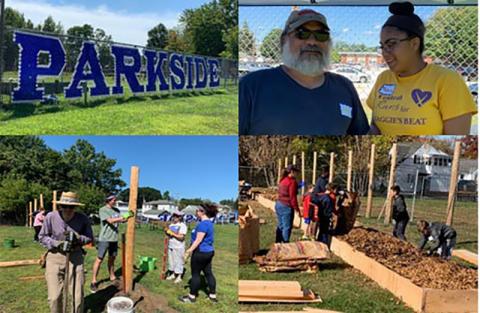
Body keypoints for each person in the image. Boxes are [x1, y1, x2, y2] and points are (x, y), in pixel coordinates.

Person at [239, 9, 369, 135]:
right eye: (302, 33)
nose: (312, 42)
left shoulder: (345, 87)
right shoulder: (251, 86)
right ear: (284, 41)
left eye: (321, 35)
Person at [367, 1, 477, 135]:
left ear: (414, 43)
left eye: (391, 44)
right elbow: (375, 127)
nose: (385, 51)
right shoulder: (384, 78)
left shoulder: (447, 80)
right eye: (382, 45)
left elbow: (456, 139)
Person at [38, 191, 93, 313]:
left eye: (71, 207)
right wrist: (57, 243)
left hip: (75, 258)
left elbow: (89, 237)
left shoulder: (82, 219)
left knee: (77, 297)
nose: (68, 209)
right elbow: (42, 237)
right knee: (54, 297)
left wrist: (78, 238)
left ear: (76, 207)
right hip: (55, 257)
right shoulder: (51, 217)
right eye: (64, 206)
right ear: (60, 206)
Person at [90, 195, 133, 292]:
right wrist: (121, 217)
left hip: (114, 239)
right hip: (105, 238)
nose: (115, 201)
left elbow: (121, 220)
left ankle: (112, 276)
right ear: (108, 201)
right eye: (113, 200)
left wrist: (127, 217)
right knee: (99, 259)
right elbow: (110, 220)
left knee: (112, 259)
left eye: (115, 199)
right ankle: (93, 281)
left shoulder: (116, 210)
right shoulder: (103, 210)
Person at [179, 204, 218, 303]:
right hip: (208, 252)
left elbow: (198, 240)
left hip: (200, 252)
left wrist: (188, 251)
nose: (196, 212)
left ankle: (191, 297)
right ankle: (212, 296)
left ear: (202, 212)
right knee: (208, 273)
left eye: (197, 211)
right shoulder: (208, 223)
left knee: (195, 274)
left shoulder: (203, 224)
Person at [275, 164, 300, 243]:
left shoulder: (282, 180)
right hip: (286, 206)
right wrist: (297, 209)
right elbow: (292, 197)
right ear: (292, 172)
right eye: (296, 172)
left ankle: (278, 243)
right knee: (287, 227)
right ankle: (285, 245)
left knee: (280, 225)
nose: (297, 174)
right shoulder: (292, 182)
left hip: (279, 204)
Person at [165, 210, 188, 284]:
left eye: (176, 216)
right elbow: (169, 235)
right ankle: (174, 274)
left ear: (180, 217)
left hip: (179, 246)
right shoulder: (171, 225)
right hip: (171, 245)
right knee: (172, 261)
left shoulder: (183, 225)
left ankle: (179, 276)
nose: (174, 218)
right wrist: (167, 232)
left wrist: (173, 233)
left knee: (179, 261)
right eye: (174, 216)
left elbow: (181, 237)